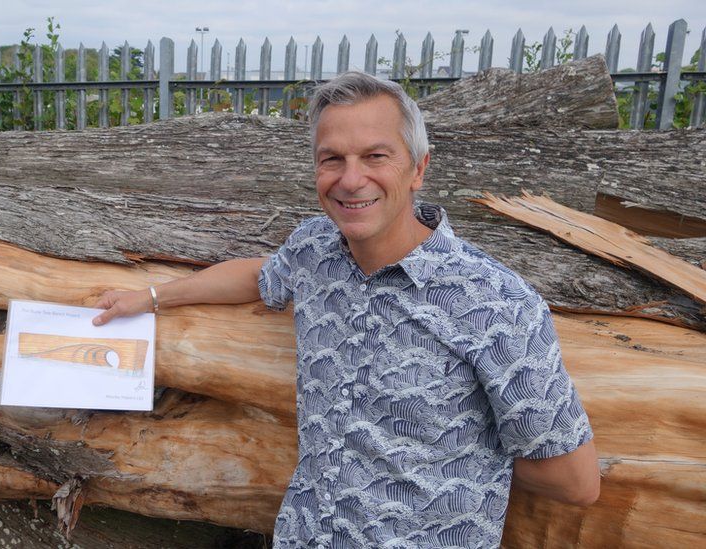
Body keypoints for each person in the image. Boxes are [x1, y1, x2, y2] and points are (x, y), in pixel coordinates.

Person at [93, 71, 599, 548]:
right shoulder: (316, 251)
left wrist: (462, 449)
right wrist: (150, 298)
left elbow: (576, 482)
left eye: (376, 156)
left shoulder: (495, 305)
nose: (351, 179)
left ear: (419, 167)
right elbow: (258, 275)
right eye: (332, 159)